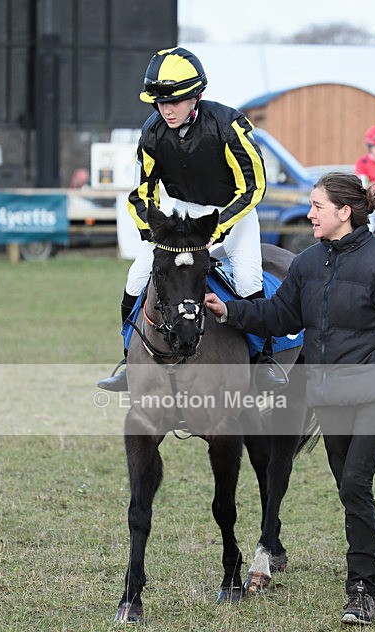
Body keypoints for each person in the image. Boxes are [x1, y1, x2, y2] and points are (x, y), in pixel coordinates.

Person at [205, 172, 375, 626]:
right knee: (350, 488)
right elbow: (279, 316)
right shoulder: (306, 264)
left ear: (345, 212)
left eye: (317, 205)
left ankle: (359, 589)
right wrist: (231, 311)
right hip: (329, 393)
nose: (309, 213)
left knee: (355, 483)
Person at [97, 46, 282, 392]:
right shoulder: (151, 133)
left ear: (197, 96)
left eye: (174, 101)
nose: (166, 109)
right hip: (179, 218)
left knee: (246, 282)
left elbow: (254, 186)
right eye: (159, 102)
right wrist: (153, 231)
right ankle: (128, 359)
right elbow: (142, 192)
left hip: (231, 214)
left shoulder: (229, 126)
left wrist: (221, 226)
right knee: (136, 278)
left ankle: (263, 360)